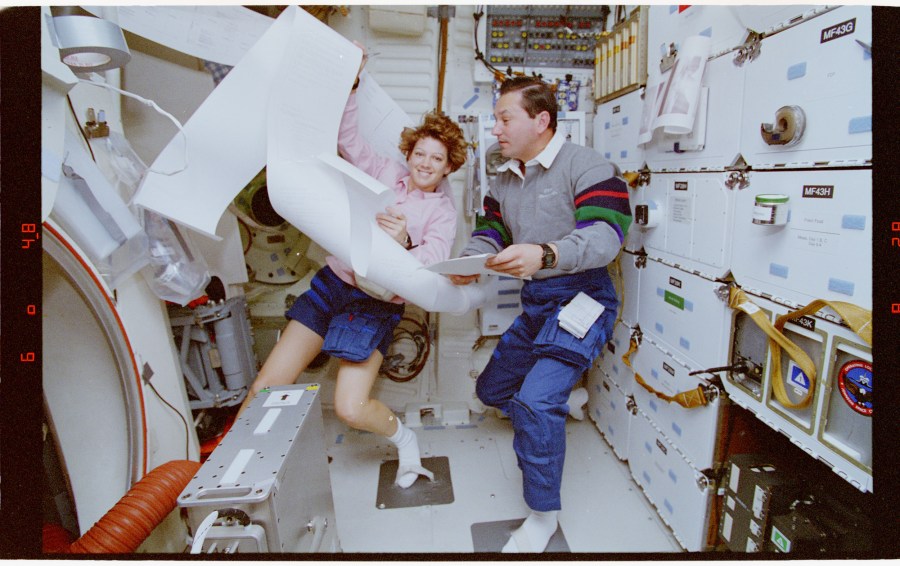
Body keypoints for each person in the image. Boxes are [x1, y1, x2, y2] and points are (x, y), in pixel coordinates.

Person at [239, 44, 468, 489]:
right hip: (331, 288)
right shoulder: (384, 172)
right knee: (263, 389)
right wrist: (353, 82)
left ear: (449, 167)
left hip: (375, 306)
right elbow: (348, 141)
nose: (425, 163)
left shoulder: (441, 212)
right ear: (410, 152)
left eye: (437, 158)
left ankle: (405, 443)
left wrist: (404, 242)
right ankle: (248, 480)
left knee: (350, 408)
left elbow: (432, 262)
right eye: (421, 152)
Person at [450, 76, 632, 552]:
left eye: (505, 118)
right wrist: (471, 262)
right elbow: (490, 230)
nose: (496, 129)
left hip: (583, 298)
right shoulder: (505, 177)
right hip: (539, 303)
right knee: (492, 391)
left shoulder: (588, 165)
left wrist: (546, 255)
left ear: (542, 120)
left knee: (532, 402)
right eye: (496, 119)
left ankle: (542, 514)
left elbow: (606, 236)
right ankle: (555, 406)